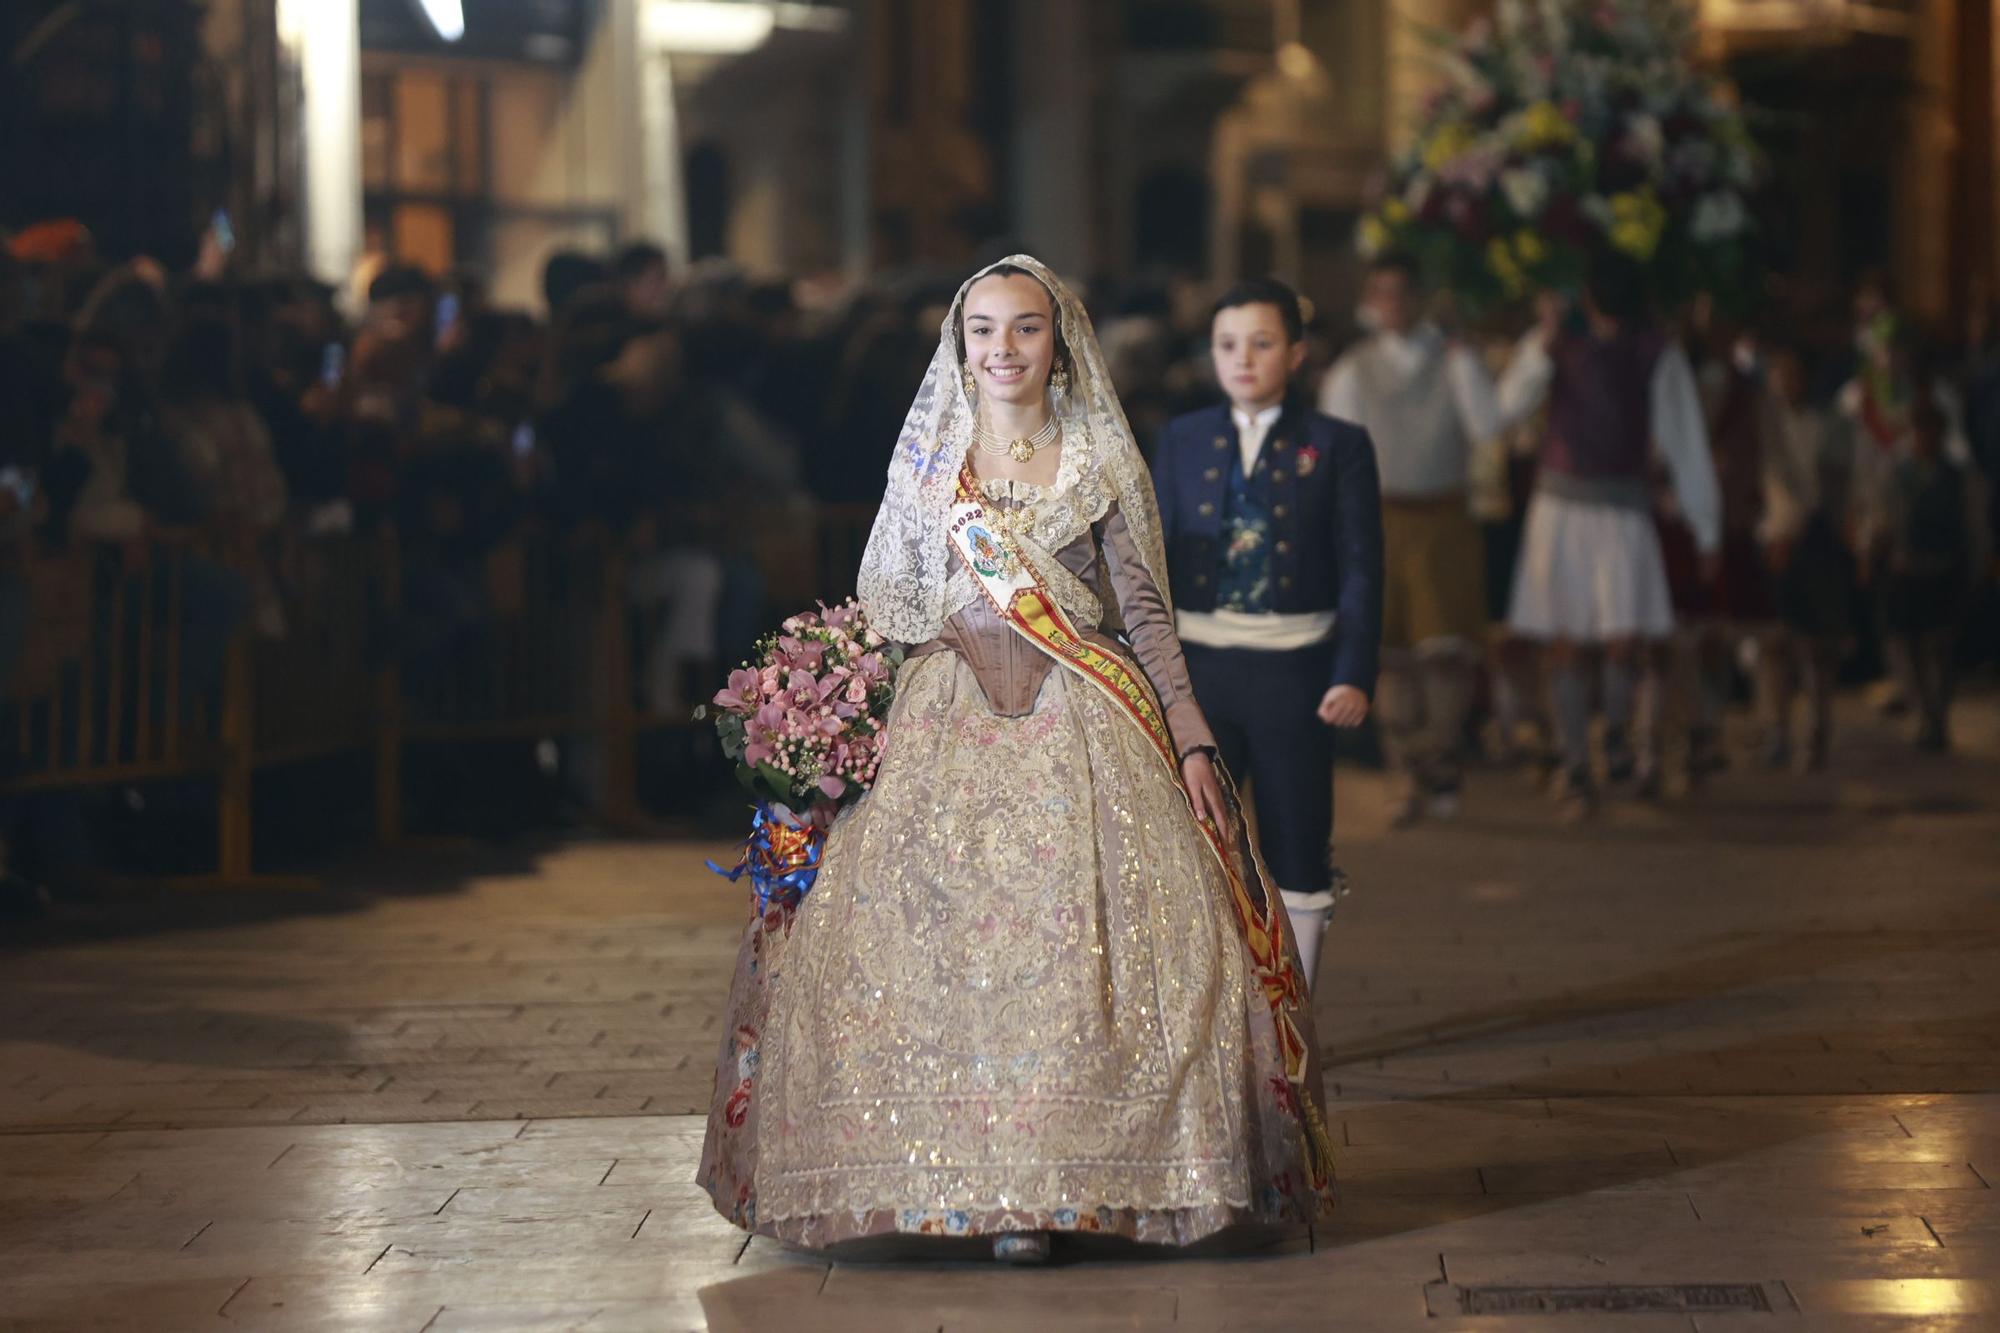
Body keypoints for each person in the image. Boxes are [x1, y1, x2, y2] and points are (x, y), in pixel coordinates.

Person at [699, 256, 1337, 1263]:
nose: (1003, 349)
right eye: (983, 330)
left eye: (1024, 328)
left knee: (1091, 956)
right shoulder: (929, 467)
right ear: (959, 346)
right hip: (941, 713)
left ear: (1060, 341)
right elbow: (887, 615)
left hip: (1079, 711)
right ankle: (946, 1183)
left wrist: (1192, 737)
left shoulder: (1097, 463)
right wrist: (823, 714)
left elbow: (1143, 620)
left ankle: (1053, 1187)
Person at [1155, 277, 1381, 982]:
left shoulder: (1337, 444)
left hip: (1296, 671)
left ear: (1297, 353)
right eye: (1227, 344)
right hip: (1198, 673)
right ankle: (1215, 1007)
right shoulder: (1182, 438)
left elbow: (1361, 568)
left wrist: (1352, 670)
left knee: (1297, 837)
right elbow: (1151, 558)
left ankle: (1298, 1010)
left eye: (1262, 342)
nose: (1243, 359)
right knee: (1194, 841)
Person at [1500, 260, 1720, 819]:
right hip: (1562, 504)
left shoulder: (1654, 351)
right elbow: (1507, 407)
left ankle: (1614, 736)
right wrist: (1539, 345)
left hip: (1622, 507)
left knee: (1624, 638)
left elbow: (1684, 440)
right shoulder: (1558, 342)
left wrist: (1706, 524)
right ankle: (1576, 763)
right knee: (1567, 643)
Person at [1321, 254, 1505, 825]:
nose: (1392, 304)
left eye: (1402, 291)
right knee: (1389, 659)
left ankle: (1438, 755)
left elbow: (1490, 426)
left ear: (1419, 297)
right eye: (1382, 293)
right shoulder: (1353, 369)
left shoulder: (1453, 361)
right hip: (1379, 519)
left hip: (1443, 515)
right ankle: (1408, 775)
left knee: (1446, 653)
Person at [1879, 402, 1980, 750]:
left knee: (1941, 649)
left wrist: (1974, 567)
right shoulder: (1900, 473)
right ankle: (1926, 713)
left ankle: (1937, 718)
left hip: (1944, 570)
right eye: (1922, 431)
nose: (1927, 438)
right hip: (1908, 573)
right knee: (1908, 648)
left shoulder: (1955, 475)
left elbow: (1971, 522)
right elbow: (1889, 516)